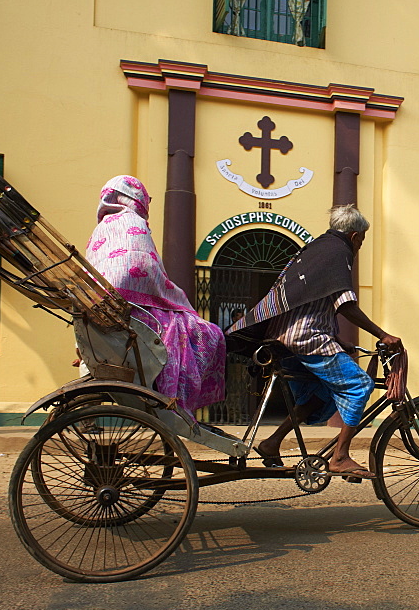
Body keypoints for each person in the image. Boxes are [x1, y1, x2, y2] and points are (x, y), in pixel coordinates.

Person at [227, 205, 402, 479]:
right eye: (362, 241)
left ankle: (272, 442)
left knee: (321, 392)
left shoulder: (317, 249)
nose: (360, 247)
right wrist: (382, 334)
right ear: (355, 236)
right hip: (307, 339)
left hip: (285, 338)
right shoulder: (338, 252)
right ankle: (341, 456)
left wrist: (341, 342)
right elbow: (344, 304)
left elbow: (316, 304)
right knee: (360, 386)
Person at [85, 175, 226, 419]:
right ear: (136, 198)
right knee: (210, 333)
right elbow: (149, 274)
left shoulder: (99, 231)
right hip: (137, 318)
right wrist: (177, 298)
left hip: (104, 316)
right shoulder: (134, 225)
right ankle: (181, 400)